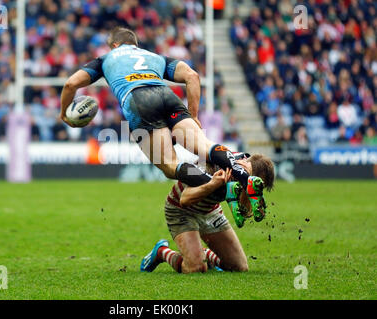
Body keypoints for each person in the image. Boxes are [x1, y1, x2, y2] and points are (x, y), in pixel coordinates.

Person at [60, 27, 268, 221]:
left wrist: (64, 114)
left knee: (170, 165)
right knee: (205, 146)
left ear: (114, 45)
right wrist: (193, 115)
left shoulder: (106, 59)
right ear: (135, 45)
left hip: (138, 100)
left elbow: (71, 83)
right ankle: (243, 176)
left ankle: (221, 189)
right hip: (167, 96)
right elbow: (192, 76)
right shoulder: (154, 57)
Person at [140, 153, 275, 274]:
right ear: (245, 164)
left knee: (239, 266)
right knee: (196, 268)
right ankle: (162, 252)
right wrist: (213, 184)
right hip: (181, 211)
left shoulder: (245, 169)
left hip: (211, 211)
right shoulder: (213, 164)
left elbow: (245, 206)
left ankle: (201, 253)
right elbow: (185, 199)